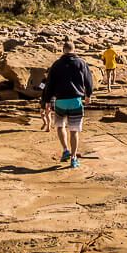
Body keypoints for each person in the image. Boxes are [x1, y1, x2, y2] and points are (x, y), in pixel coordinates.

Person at [40, 40, 93, 168]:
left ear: (63, 50)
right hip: (75, 100)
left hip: (60, 101)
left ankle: (65, 150)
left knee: (60, 126)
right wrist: (88, 95)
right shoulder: (81, 63)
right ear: (74, 49)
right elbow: (88, 80)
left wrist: (47, 101)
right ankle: (73, 158)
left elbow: (49, 84)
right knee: (74, 130)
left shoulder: (56, 64)